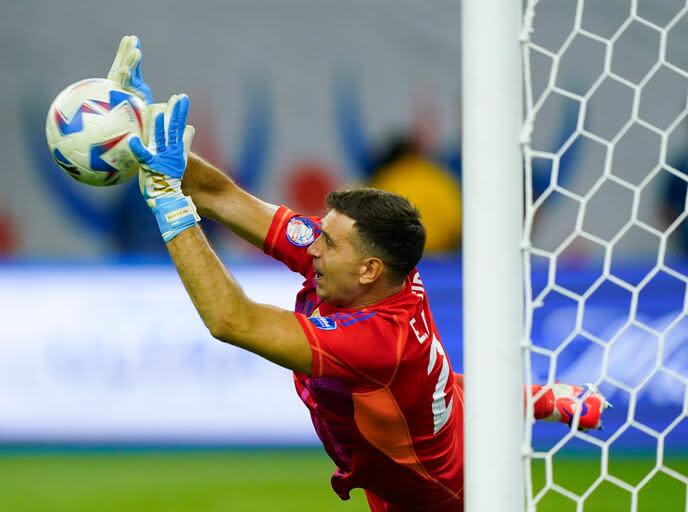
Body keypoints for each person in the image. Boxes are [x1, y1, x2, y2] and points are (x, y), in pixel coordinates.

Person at [107, 36, 609, 511]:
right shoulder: (374, 271)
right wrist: (141, 132)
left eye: (327, 241)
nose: (313, 248)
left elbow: (232, 320)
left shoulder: (375, 341)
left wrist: (170, 207)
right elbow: (225, 197)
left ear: (369, 269)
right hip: (437, 449)